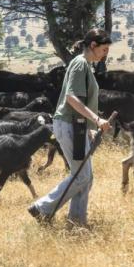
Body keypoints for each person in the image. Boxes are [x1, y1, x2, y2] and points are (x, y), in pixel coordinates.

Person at [28, 29, 113, 226]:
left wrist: (91, 127)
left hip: (78, 126)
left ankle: (76, 221)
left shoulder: (86, 66)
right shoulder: (80, 64)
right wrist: (97, 120)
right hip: (69, 125)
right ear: (93, 45)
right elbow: (71, 98)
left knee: (86, 177)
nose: (106, 53)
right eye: (104, 49)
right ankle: (42, 208)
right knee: (82, 176)